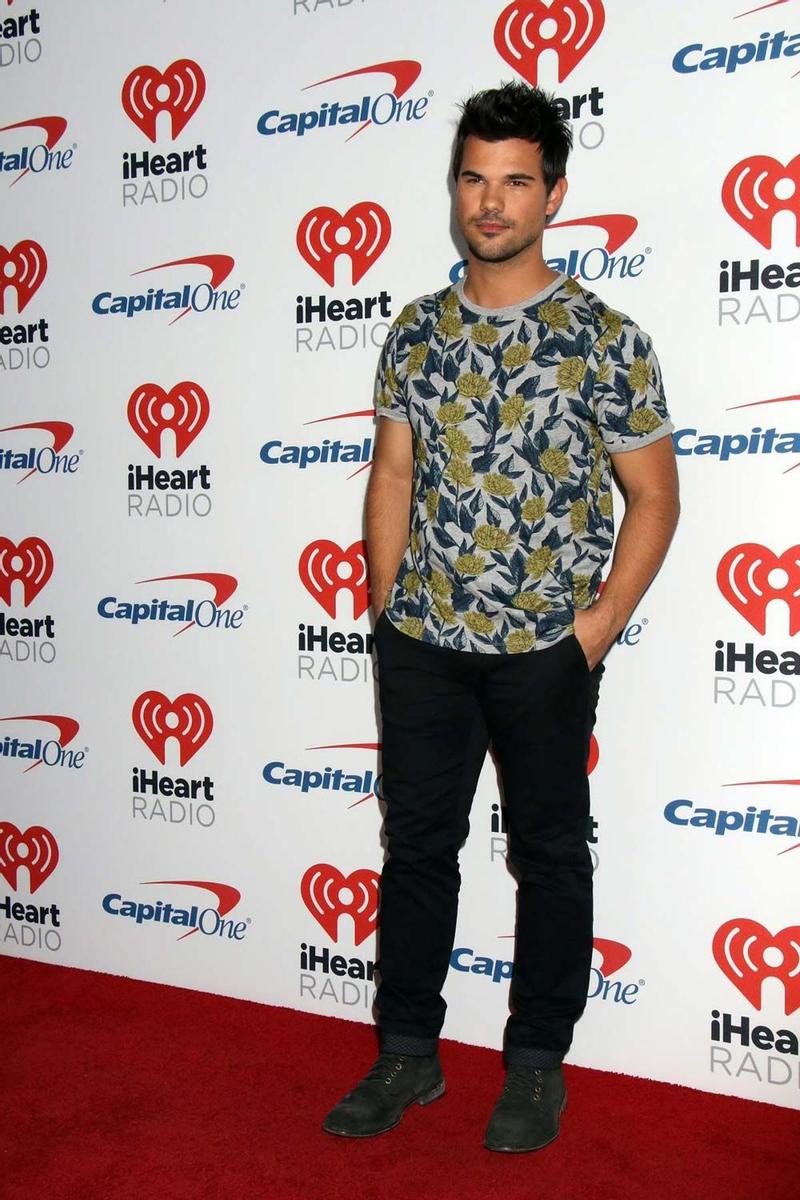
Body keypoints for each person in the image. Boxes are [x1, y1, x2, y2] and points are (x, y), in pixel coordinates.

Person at [323, 81, 679, 1152]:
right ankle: (405, 1056)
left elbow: (652, 497)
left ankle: (533, 1068)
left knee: (550, 854)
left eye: (514, 181)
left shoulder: (601, 337)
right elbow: (392, 473)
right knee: (416, 847)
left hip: (541, 650)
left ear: (552, 194)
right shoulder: (414, 330)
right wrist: (387, 607)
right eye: (473, 178)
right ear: (454, 190)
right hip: (422, 643)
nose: (490, 201)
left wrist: (595, 628)